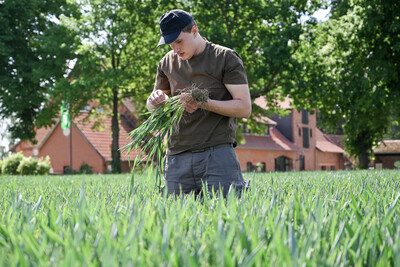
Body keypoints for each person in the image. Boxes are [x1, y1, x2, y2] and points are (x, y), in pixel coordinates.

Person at [147, 9, 251, 197]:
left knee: (225, 217)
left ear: (194, 31)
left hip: (217, 153)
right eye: (170, 44)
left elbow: (244, 107)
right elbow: (154, 107)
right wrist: (154, 101)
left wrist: (203, 103)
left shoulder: (225, 58)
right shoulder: (166, 63)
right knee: (175, 221)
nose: (175, 49)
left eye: (179, 41)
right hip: (177, 156)